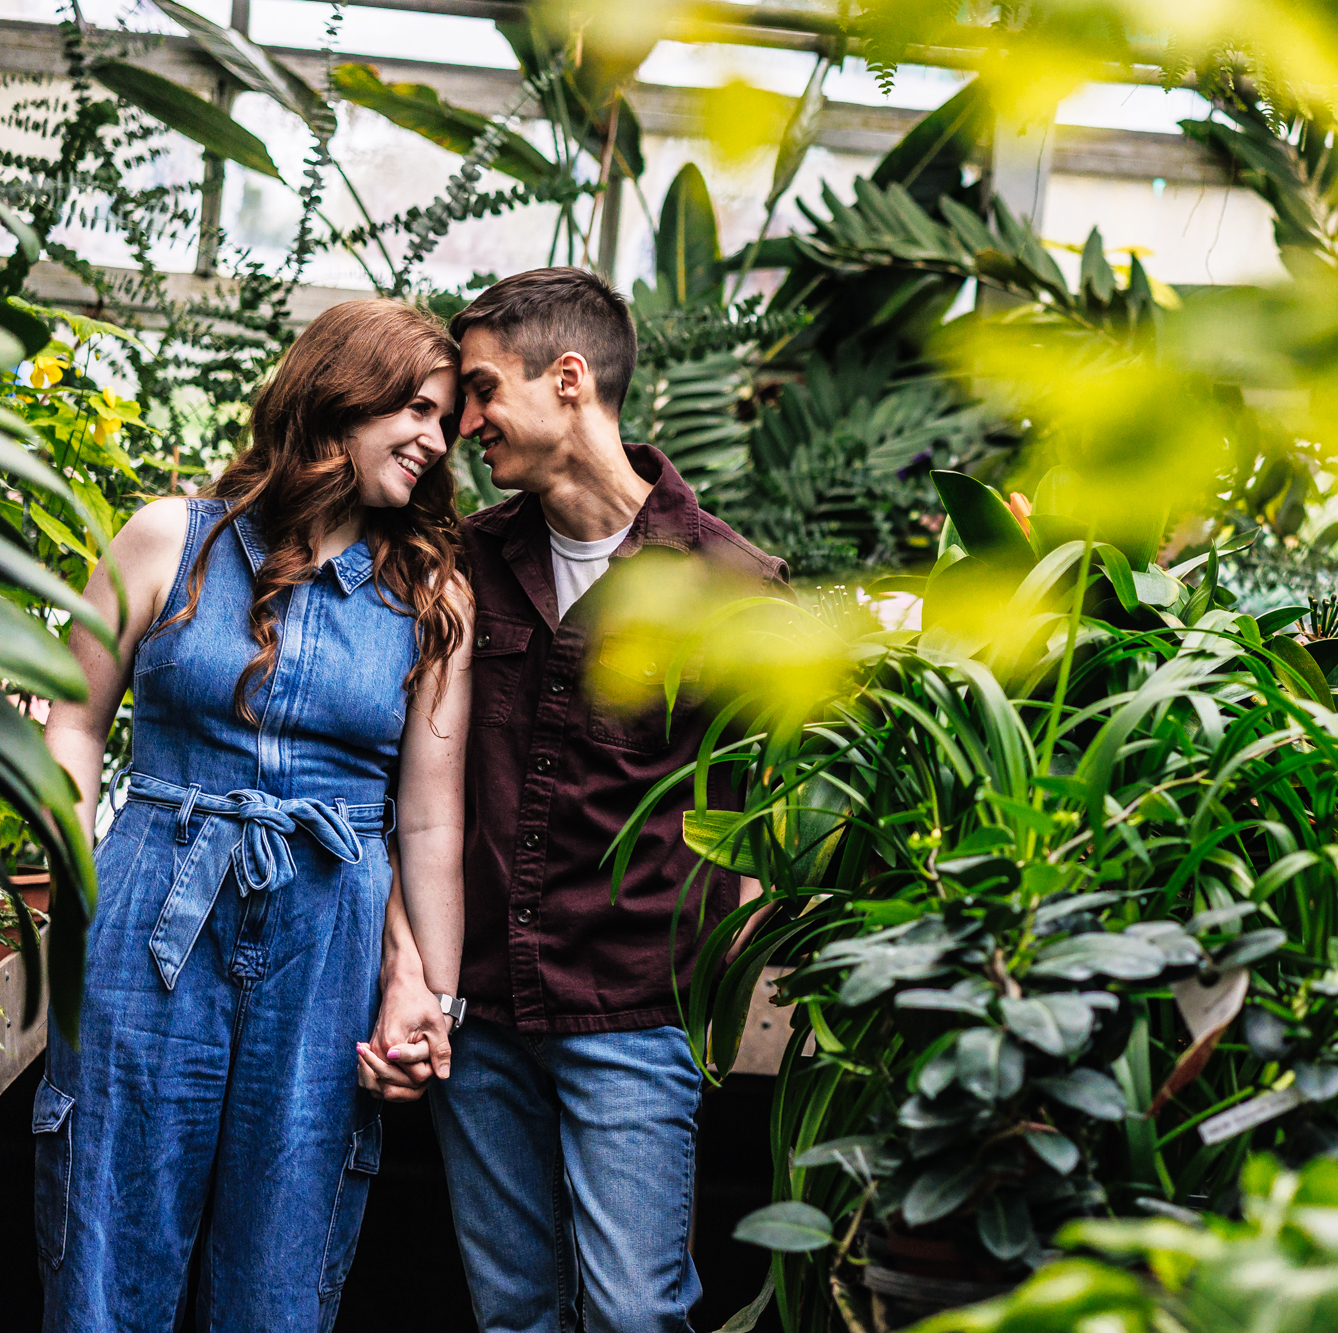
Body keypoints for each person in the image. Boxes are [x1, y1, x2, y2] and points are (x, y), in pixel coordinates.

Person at [35, 300, 471, 1330]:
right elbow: (73, 721)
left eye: (446, 419)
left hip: (329, 942)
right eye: (413, 406)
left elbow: (429, 824)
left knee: (279, 1271)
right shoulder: (167, 537)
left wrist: (423, 992)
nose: (435, 439)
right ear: (336, 395)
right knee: (106, 1240)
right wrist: (82, 881)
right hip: (151, 914)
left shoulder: (432, 597)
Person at [406, 267, 784, 1333]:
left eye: (480, 391)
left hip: (631, 1013)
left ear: (568, 379)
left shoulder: (731, 585)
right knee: (514, 1314)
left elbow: (761, 810)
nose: (463, 423)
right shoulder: (465, 563)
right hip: (480, 1015)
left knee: (632, 1314)